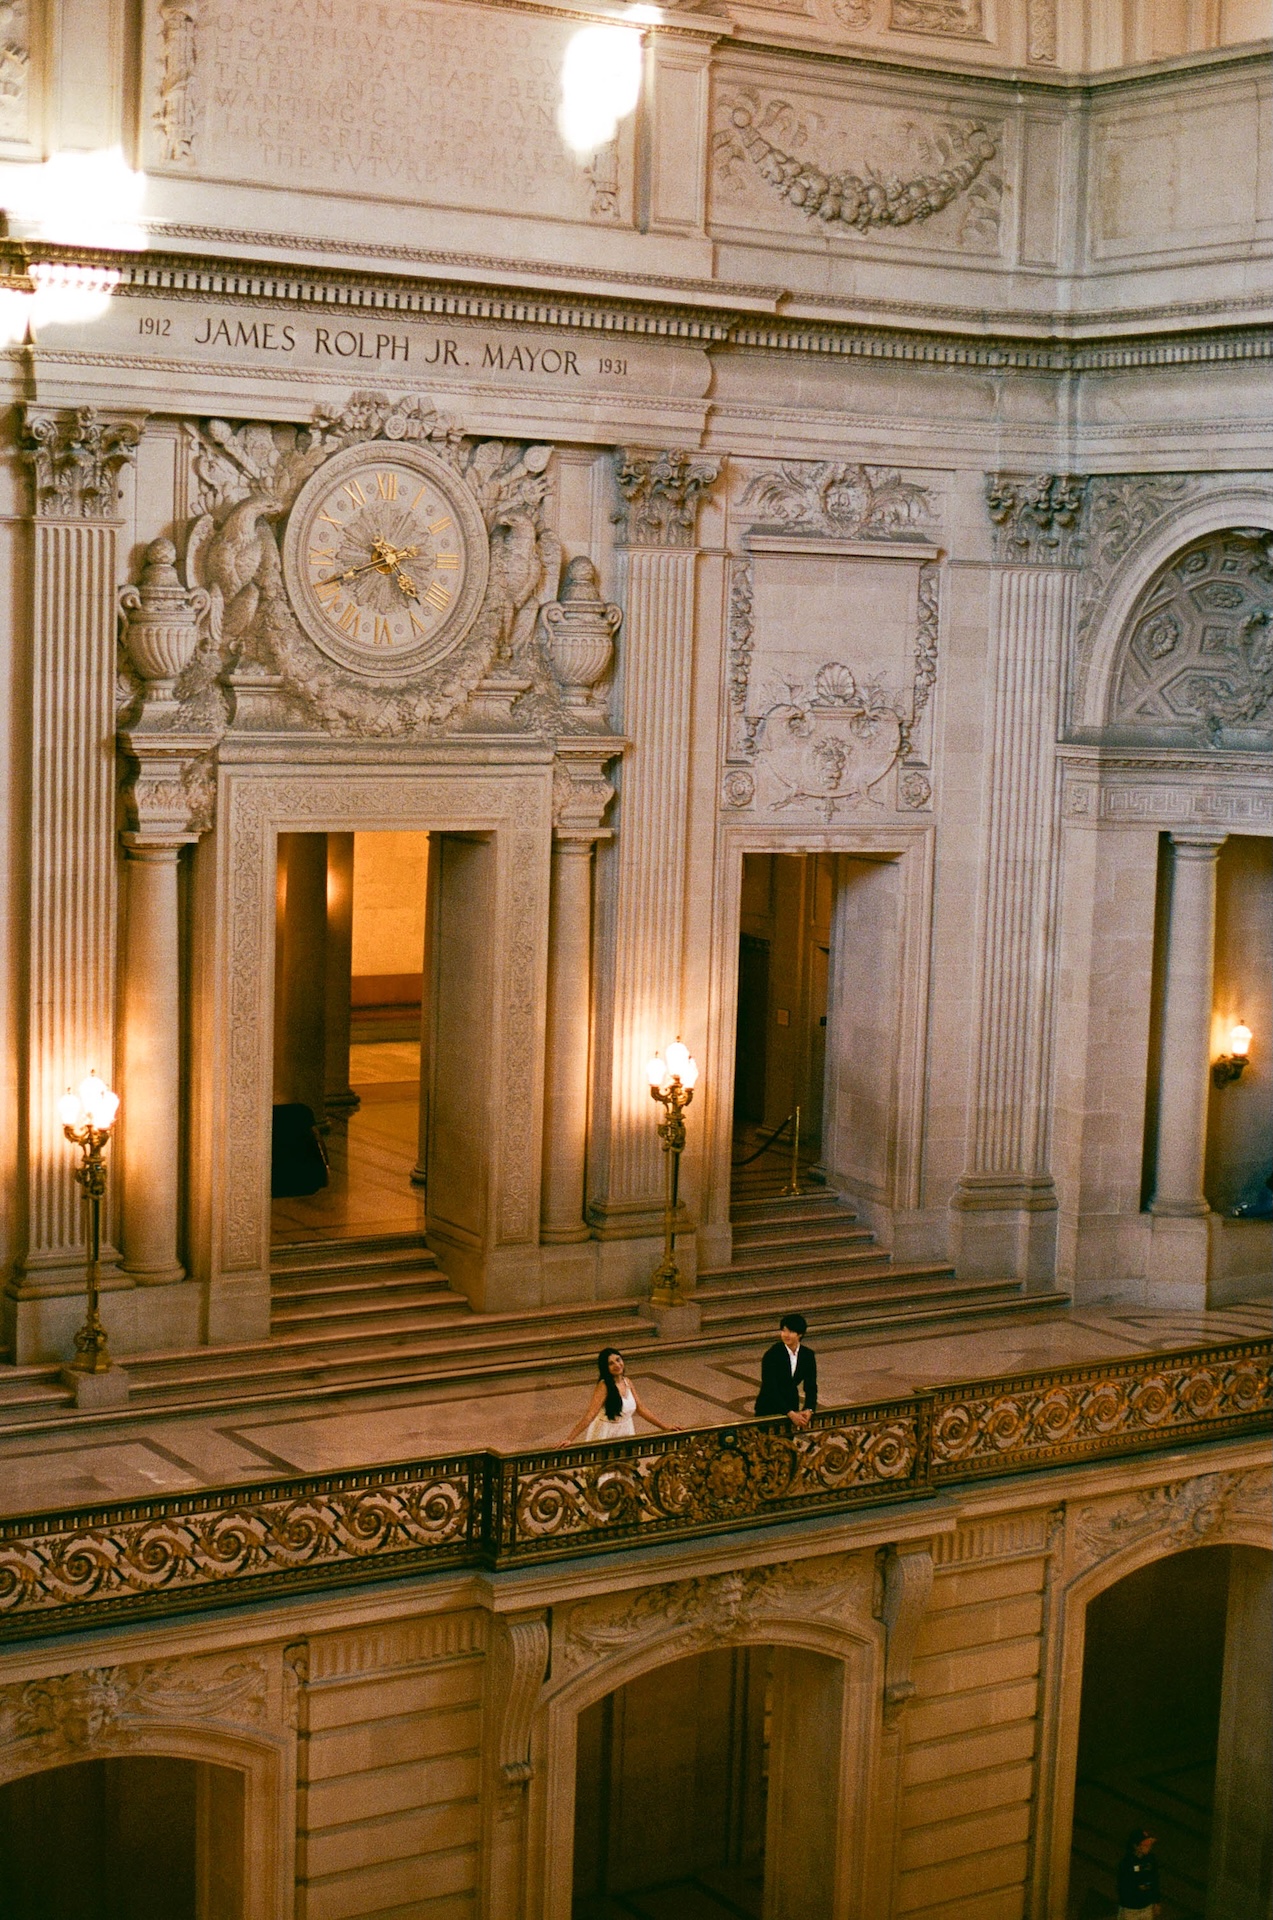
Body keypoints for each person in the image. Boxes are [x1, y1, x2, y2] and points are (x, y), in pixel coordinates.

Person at [564, 1348, 676, 1444]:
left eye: (618, 1360)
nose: (617, 1365)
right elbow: (590, 1415)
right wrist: (569, 1439)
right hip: (605, 1433)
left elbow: (641, 1409)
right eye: (611, 1363)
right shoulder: (604, 1386)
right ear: (605, 1367)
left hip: (626, 1430)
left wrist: (665, 1427)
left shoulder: (627, 1381)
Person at [754, 1312, 818, 1428]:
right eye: (784, 1331)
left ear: (800, 1334)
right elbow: (770, 1387)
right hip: (768, 1406)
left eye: (791, 1332)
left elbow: (811, 1385)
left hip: (791, 1403)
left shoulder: (807, 1355)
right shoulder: (772, 1354)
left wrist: (809, 1408)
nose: (786, 1335)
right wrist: (789, 1412)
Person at [1116, 1829, 1161, 1919]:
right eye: (1145, 1844)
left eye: (1150, 1844)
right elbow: (1123, 1886)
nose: (1149, 1847)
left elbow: (1155, 1879)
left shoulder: (1151, 1859)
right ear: (1136, 1846)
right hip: (1130, 1909)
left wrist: (1156, 1901)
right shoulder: (1127, 1863)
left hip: (1146, 1907)